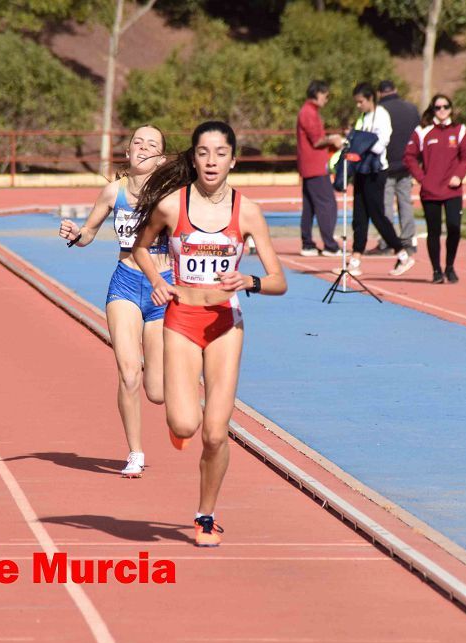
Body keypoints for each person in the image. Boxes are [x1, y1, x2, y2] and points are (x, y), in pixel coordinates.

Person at [132, 121, 287, 547]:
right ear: (194, 158)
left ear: (233, 160)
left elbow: (278, 280)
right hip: (181, 319)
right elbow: (141, 246)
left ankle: (205, 516)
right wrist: (157, 280)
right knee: (184, 424)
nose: (212, 160)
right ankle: (179, 423)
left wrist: (249, 282)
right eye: (203, 152)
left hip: (225, 325)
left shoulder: (248, 212)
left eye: (220, 153)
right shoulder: (170, 206)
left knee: (215, 433)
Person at [58, 125, 170, 478]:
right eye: (138, 142)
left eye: (152, 145)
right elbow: (89, 232)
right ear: (128, 152)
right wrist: (78, 234)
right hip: (124, 284)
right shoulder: (113, 192)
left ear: (162, 159)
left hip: (162, 287)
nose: (143, 147)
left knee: (156, 390)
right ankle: (134, 451)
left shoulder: (172, 194)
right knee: (127, 372)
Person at [331, 82, 414, 278]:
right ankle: (356, 259)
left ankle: (402, 254)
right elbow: (355, 143)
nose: (358, 106)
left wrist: (361, 142)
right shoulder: (363, 117)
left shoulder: (382, 115)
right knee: (359, 216)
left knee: (377, 215)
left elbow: (379, 144)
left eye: (360, 102)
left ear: (370, 99)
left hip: (376, 171)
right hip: (361, 169)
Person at [404, 94, 466, 284]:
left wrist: (458, 176)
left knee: (454, 227)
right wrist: (422, 179)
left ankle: (450, 267)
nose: (442, 110)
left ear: (451, 108)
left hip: (453, 190)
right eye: (438, 107)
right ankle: (436, 270)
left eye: (445, 106)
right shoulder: (422, 131)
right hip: (430, 191)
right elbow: (409, 156)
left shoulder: (459, 130)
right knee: (433, 231)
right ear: (432, 109)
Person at [296, 80, 344, 257]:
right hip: (315, 166)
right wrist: (334, 139)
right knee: (327, 204)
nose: (327, 99)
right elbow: (317, 140)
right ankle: (330, 245)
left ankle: (307, 243)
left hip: (309, 165)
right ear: (317, 94)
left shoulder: (309, 111)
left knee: (309, 206)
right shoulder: (309, 112)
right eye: (325, 95)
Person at [377, 79, 420, 255]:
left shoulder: (379, 111)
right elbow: (419, 134)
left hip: (386, 164)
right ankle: (408, 241)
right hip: (407, 163)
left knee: (386, 205)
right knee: (405, 203)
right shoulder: (410, 108)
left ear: (380, 93)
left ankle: (388, 242)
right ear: (395, 89)